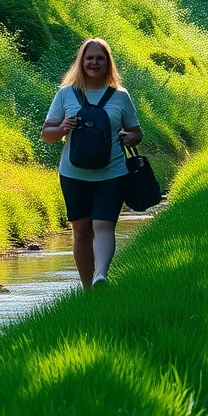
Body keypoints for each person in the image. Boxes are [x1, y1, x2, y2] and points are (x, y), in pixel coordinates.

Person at [42, 38, 143, 289]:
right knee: (82, 232)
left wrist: (130, 137)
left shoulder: (121, 96)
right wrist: (63, 127)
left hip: (113, 172)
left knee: (103, 225)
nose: (94, 63)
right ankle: (89, 290)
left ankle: (101, 275)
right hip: (73, 174)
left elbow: (136, 131)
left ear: (108, 62)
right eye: (89, 58)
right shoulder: (66, 94)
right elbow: (47, 134)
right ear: (81, 62)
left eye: (100, 58)